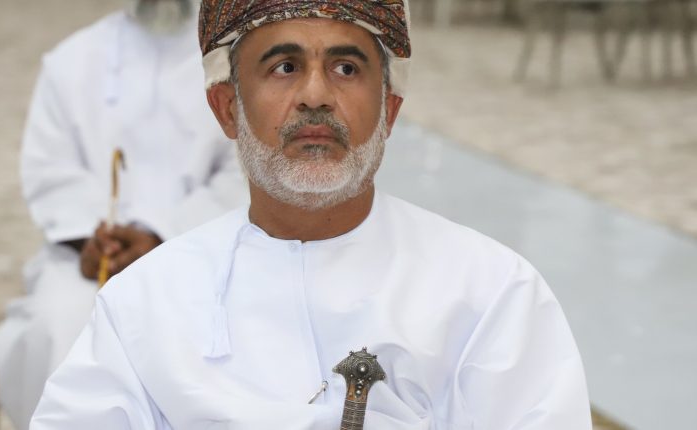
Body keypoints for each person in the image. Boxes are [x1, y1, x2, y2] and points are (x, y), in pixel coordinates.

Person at [31, 1, 593, 428]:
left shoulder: (490, 294)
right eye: (284, 66)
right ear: (227, 109)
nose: (316, 95)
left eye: (346, 68)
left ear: (389, 109)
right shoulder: (144, 305)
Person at [0, 0, 247, 428]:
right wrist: (95, 238)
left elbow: (241, 171)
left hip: (204, 255)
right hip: (87, 258)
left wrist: (162, 237)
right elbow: (50, 167)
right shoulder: (73, 59)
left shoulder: (234, 60)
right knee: (56, 325)